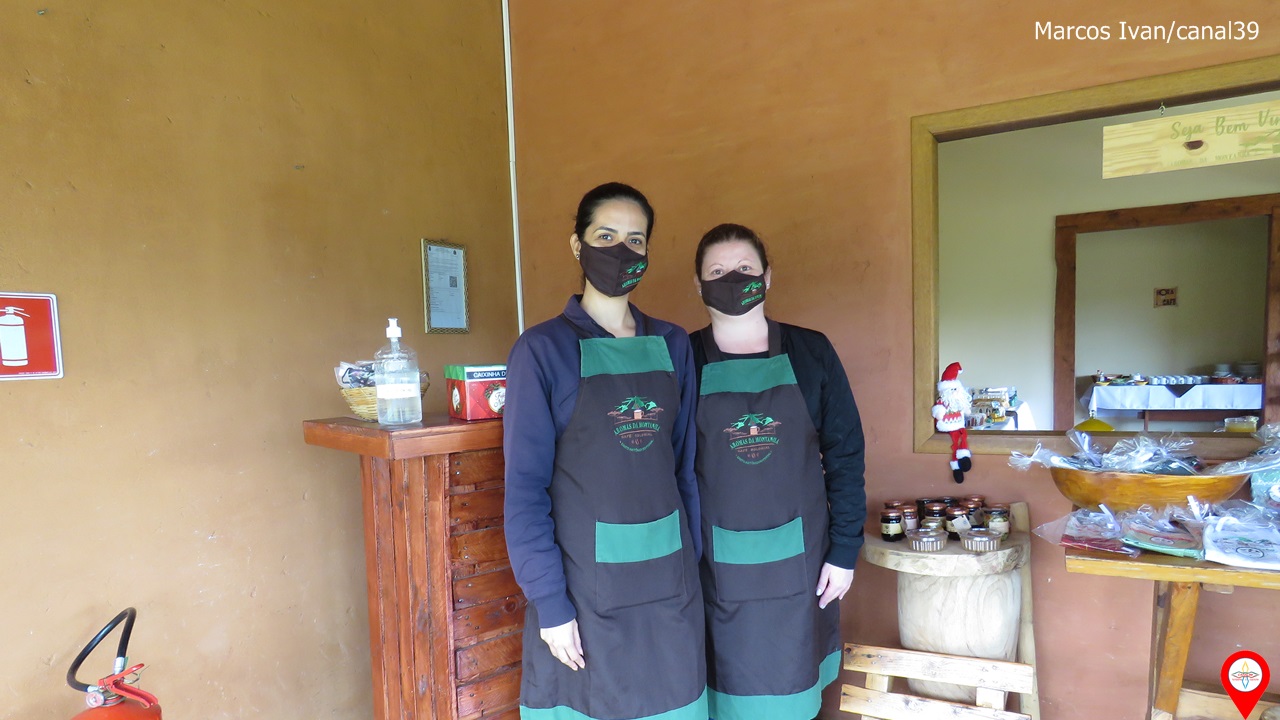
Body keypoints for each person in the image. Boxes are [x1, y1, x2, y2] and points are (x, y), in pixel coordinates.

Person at [503, 183, 707, 720]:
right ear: (578, 245)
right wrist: (550, 604)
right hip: (584, 593)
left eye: (635, 240)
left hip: (671, 589)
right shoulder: (541, 350)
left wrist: (692, 566)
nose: (621, 250)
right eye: (605, 236)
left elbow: (684, 469)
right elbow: (525, 490)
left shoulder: (674, 344)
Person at [689, 223, 867, 720]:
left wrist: (845, 551)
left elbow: (846, 455)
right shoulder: (682, 358)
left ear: (767, 277)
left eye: (744, 268)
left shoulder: (812, 353)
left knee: (791, 694)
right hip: (712, 569)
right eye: (717, 272)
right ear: (698, 285)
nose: (732, 279)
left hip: (803, 564)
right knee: (723, 693)